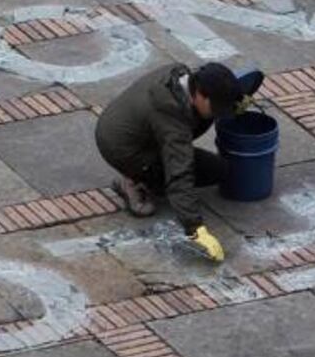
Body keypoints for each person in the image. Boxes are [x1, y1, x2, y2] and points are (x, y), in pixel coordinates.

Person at [94, 62, 247, 263]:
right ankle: (134, 180)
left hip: (128, 127)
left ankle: (150, 169)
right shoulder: (172, 116)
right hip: (123, 149)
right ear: (200, 94)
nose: (219, 113)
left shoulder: (181, 75)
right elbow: (180, 175)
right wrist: (195, 229)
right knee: (209, 170)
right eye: (217, 106)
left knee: (200, 139)